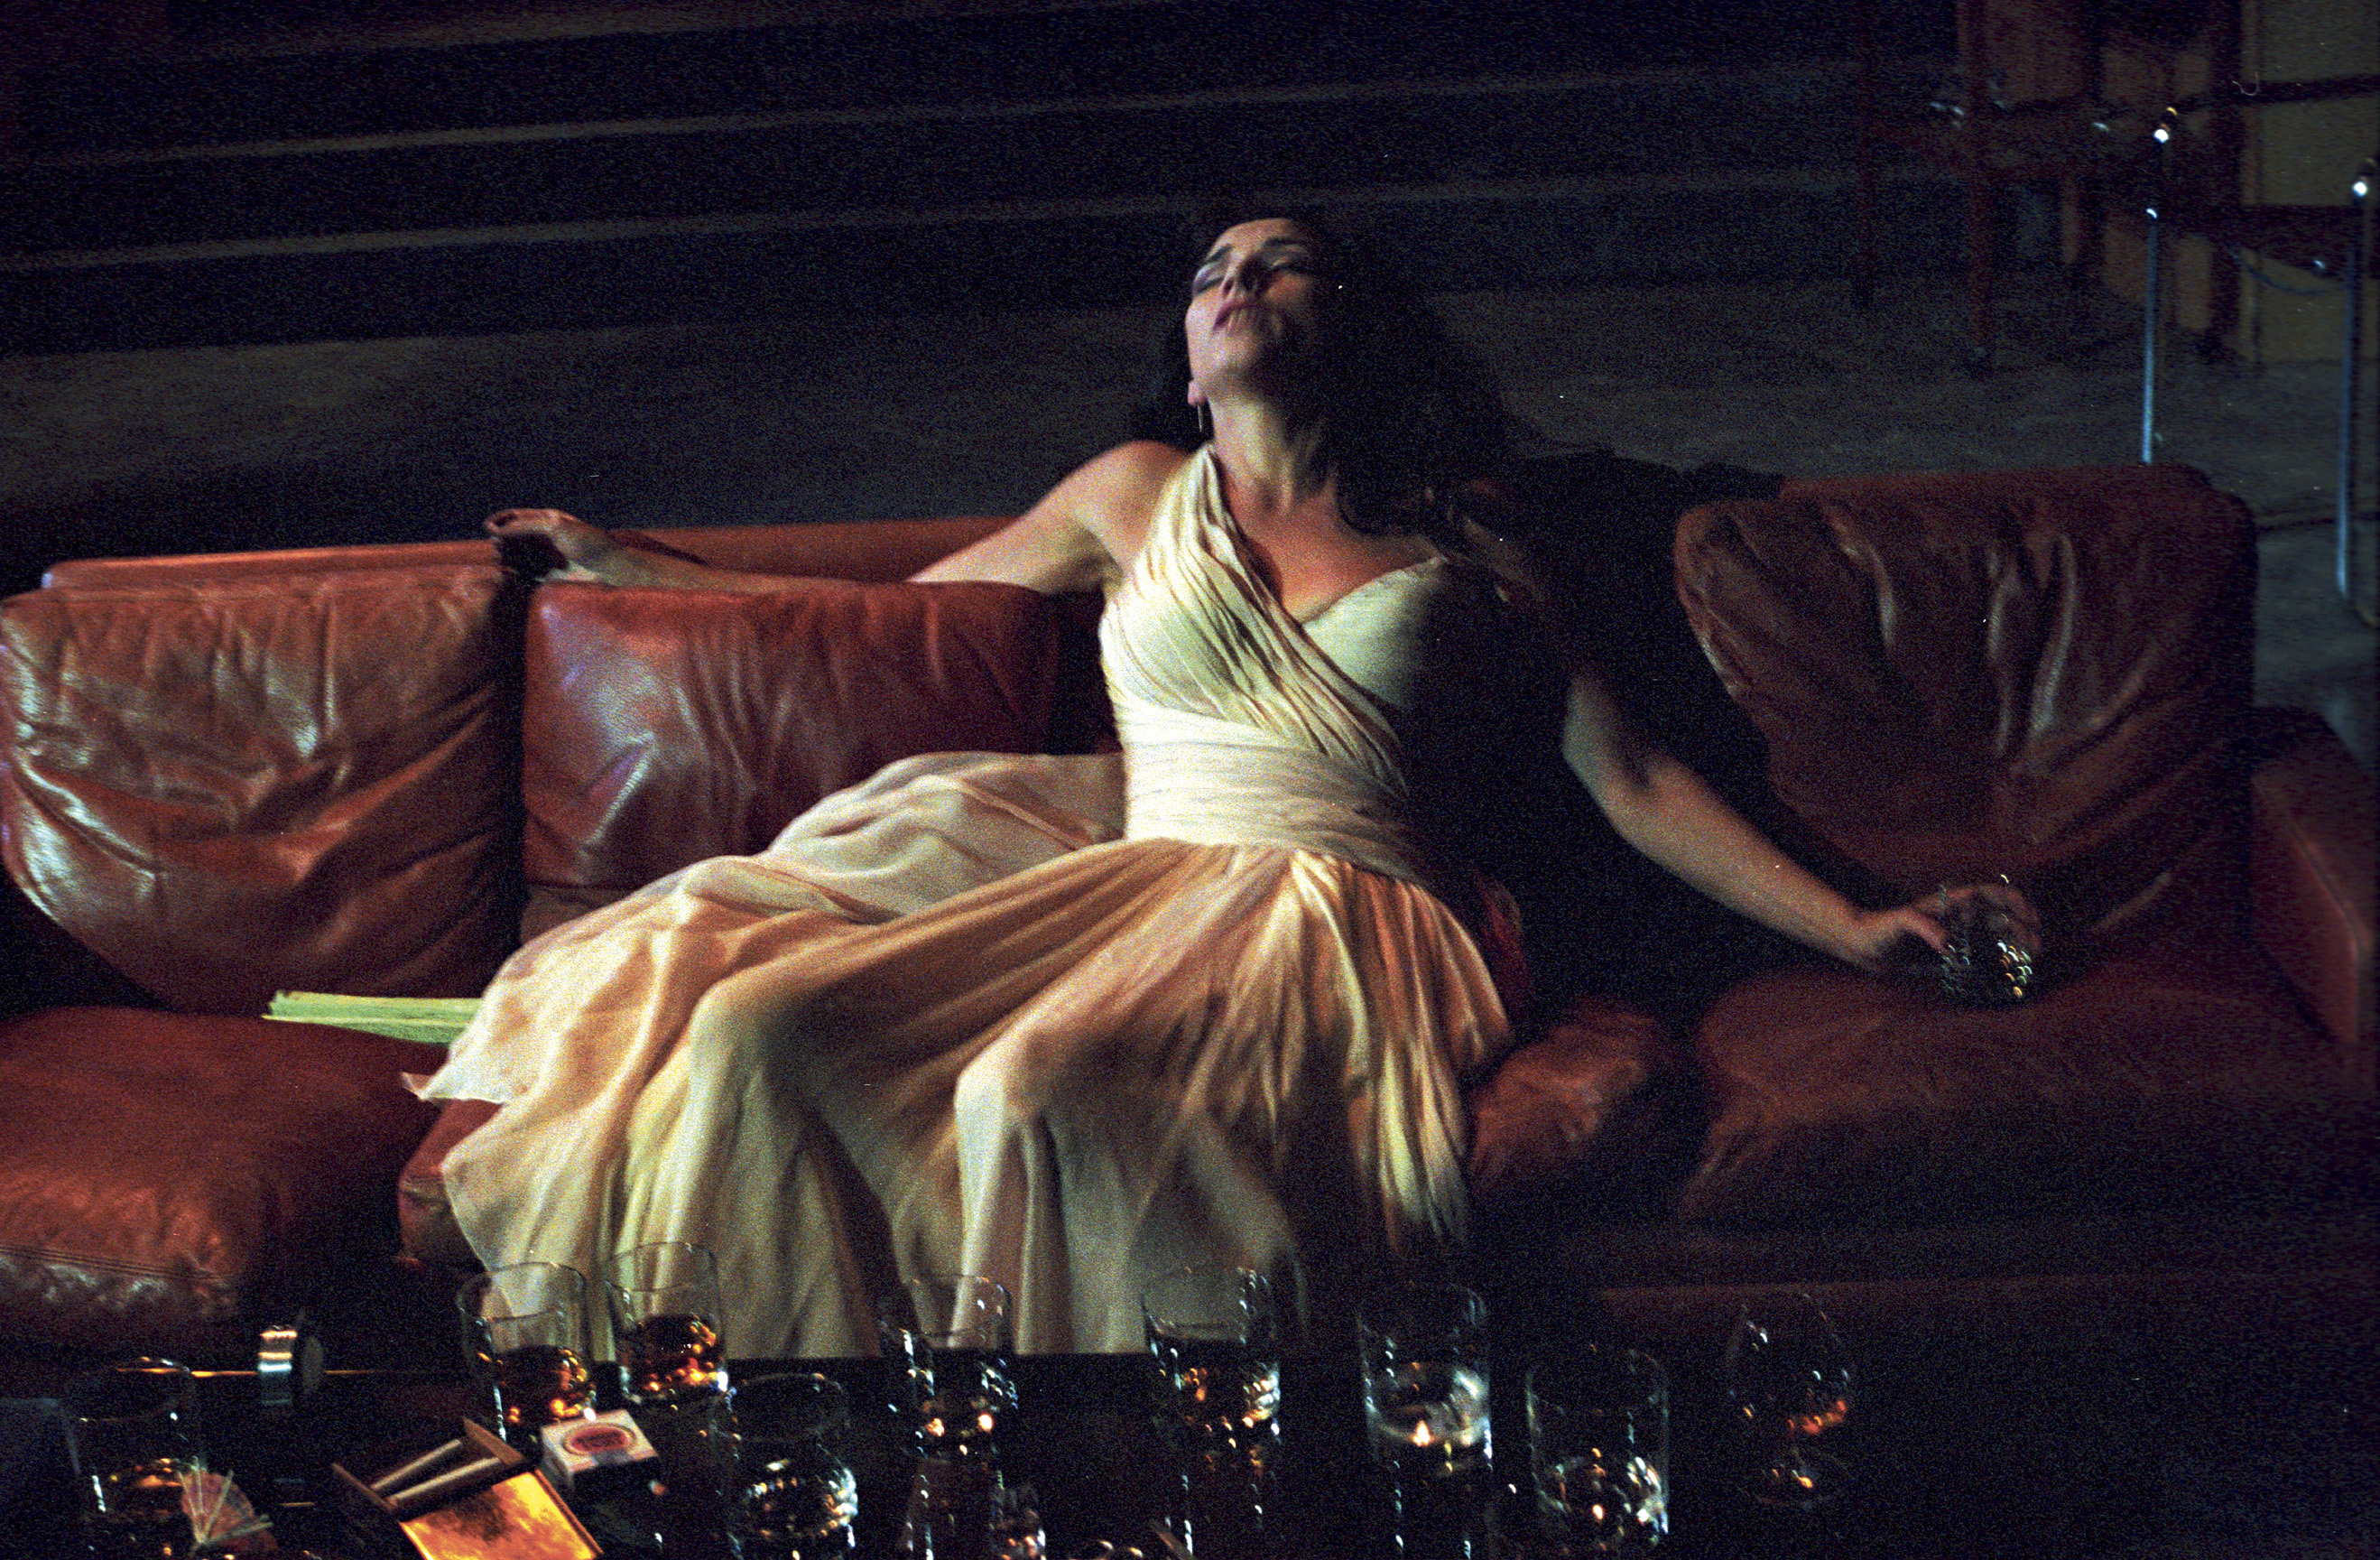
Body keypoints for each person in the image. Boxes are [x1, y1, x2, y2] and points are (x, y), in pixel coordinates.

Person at [414, 209, 2015, 1357]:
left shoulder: (1467, 541)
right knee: (762, 1025)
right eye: (1209, 276)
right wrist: (635, 571)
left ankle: (1127, 1459)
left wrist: (1852, 925)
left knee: (1039, 1088)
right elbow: (898, 612)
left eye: (1278, 263)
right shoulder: (1132, 494)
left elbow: (1634, 775)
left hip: (1349, 911)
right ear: (1187, 369)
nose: (1236, 283)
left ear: (1355, 335)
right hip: (1136, 875)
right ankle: (797, 1437)